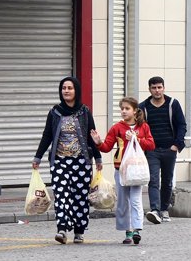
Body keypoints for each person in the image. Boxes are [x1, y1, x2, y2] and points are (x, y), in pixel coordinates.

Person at [32, 76, 102, 244]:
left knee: (80, 196)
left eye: (70, 88)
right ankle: (62, 229)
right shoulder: (54, 112)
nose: (66, 91)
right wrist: (38, 156)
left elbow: (92, 134)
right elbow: (47, 135)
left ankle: (79, 231)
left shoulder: (84, 111)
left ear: (76, 91)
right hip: (59, 161)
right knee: (61, 194)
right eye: (64, 88)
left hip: (81, 162)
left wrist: (98, 157)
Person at [90, 97, 155, 245]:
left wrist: (136, 138)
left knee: (136, 200)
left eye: (127, 108)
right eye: (122, 108)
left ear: (134, 111)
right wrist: (98, 142)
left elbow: (151, 145)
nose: (124, 111)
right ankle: (128, 231)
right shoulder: (117, 128)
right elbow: (106, 147)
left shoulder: (143, 127)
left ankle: (137, 229)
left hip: (136, 169)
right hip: (120, 169)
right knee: (123, 202)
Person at [139, 76, 187, 224]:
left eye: (159, 87)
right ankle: (154, 210)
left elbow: (182, 125)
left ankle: (164, 209)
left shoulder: (173, 104)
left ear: (164, 88)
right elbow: (139, 127)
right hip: (152, 150)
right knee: (153, 180)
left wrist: (176, 145)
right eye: (154, 88)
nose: (157, 90)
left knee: (167, 181)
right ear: (149, 89)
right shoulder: (143, 107)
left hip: (169, 149)